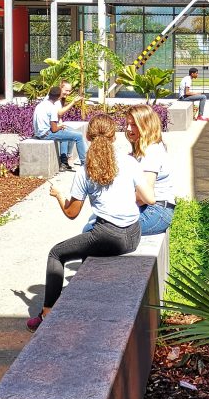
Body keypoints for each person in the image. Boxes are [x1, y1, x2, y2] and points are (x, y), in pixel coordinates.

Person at [27, 113, 155, 331]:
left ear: (87, 137)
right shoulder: (129, 162)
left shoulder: (86, 170)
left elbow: (71, 213)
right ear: (114, 136)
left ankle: (47, 313)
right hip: (134, 234)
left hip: (109, 237)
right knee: (88, 246)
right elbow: (149, 198)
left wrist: (58, 195)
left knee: (56, 254)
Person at [125, 103, 176, 235]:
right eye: (127, 124)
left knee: (100, 231)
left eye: (134, 125)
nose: (128, 129)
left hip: (155, 212)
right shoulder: (146, 148)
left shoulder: (151, 151)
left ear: (146, 126)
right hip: (150, 209)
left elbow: (145, 195)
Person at [33, 86, 83, 172]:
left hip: (39, 133)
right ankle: (84, 163)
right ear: (58, 96)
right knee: (79, 136)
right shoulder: (52, 108)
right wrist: (60, 127)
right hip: (46, 134)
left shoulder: (41, 104)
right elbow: (54, 129)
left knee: (65, 134)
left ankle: (64, 163)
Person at [57, 79, 87, 163]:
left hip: (56, 125)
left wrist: (60, 123)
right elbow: (60, 112)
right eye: (66, 90)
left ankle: (70, 157)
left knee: (76, 134)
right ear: (60, 88)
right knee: (74, 135)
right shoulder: (55, 99)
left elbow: (58, 116)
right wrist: (73, 102)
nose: (68, 93)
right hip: (51, 128)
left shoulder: (60, 99)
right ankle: (83, 161)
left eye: (69, 91)